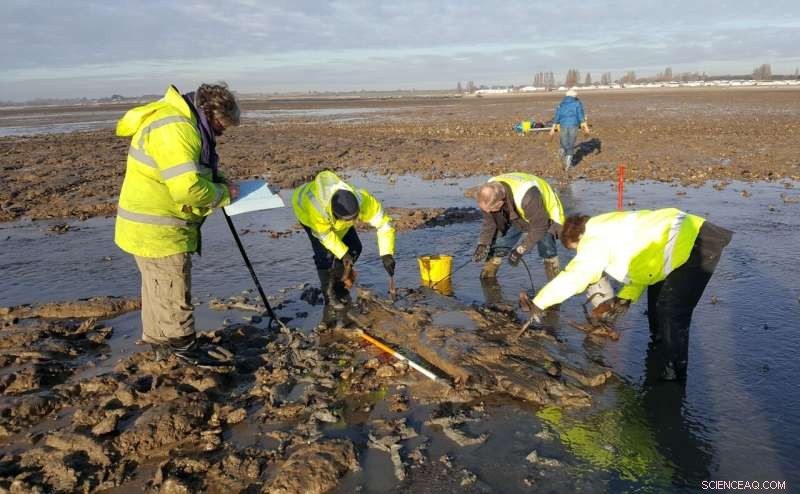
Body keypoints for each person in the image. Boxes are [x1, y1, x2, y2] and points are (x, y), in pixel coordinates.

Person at [115, 83, 241, 368]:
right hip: (159, 228)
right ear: (210, 113)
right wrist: (222, 195)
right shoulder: (178, 129)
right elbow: (187, 188)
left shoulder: (185, 123)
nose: (222, 131)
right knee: (172, 287)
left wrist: (219, 180)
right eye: (222, 125)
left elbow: (194, 167)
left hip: (149, 224)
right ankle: (184, 347)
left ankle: (159, 343)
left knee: (156, 287)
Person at [527, 208, 733, 381]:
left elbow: (576, 276)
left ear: (578, 238)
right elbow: (640, 264)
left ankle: (672, 379)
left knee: (671, 312)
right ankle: (658, 354)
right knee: (656, 312)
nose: (579, 252)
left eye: (576, 249)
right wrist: (626, 296)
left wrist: (539, 302)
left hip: (694, 242)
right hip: (672, 244)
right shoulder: (602, 225)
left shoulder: (593, 240)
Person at [293, 170, 395, 328]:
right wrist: (342, 253)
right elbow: (325, 235)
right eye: (349, 219)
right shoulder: (316, 208)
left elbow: (384, 224)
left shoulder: (362, 199)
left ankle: (340, 286)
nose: (355, 221)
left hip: (336, 222)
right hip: (309, 217)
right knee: (325, 256)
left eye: (355, 218)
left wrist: (386, 253)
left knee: (355, 248)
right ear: (335, 214)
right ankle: (329, 298)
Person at [473, 173, 564, 292]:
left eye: (491, 210)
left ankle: (555, 285)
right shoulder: (488, 193)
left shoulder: (527, 196)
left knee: (546, 245)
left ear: (501, 203)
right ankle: (488, 280)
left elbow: (539, 227)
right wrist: (483, 244)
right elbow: (490, 223)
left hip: (544, 215)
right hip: (517, 209)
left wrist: (520, 249)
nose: (488, 212)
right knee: (501, 241)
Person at [549, 88, 590, 170]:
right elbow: (581, 116)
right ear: (574, 96)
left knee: (564, 142)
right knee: (571, 144)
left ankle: (561, 153)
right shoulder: (577, 103)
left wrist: (552, 128)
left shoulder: (561, 104)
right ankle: (568, 165)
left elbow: (557, 117)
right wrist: (586, 127)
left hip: (563, 125)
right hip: (573, 125)